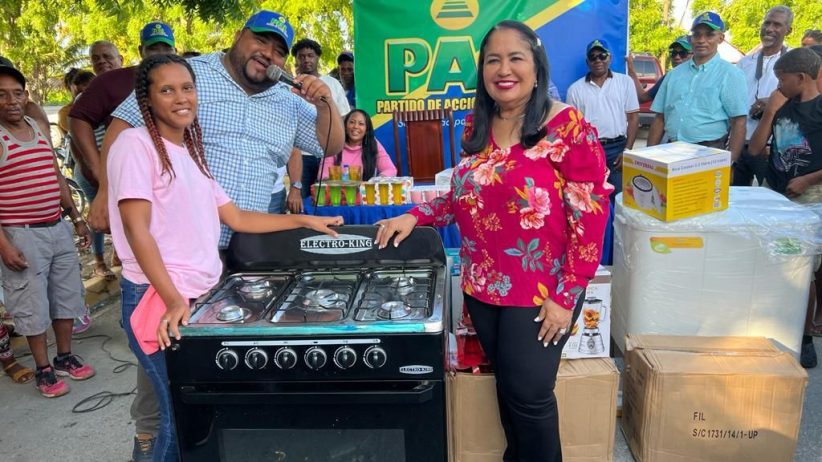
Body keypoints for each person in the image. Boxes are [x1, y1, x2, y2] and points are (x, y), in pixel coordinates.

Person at [375, 20, 611, 461]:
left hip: (543, 289)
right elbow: (464, 197)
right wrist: (415, 214)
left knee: (530, 396)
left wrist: (566, 295)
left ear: (536, 68)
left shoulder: (567, 127)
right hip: (483, 286)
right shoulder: (475, 125)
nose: (503, 69)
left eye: (515, 58)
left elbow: (591, 214)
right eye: (492, 60)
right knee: (508, 388)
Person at [107, 53, 343, 462]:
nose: (181, 98)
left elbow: (236, 217)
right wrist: (173, 299)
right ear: (147, 99)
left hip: (195, 296)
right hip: (157, 299)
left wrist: (303, 220)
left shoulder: (190, 153)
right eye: (167, 90)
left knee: (194, 413)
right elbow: (135, 229)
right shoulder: (135, 144)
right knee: (176, 417)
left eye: (187, 88)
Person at [91, 10, 345, 248]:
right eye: (260, 40)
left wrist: (325, 105)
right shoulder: (188, 75)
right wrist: (105, 192)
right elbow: (123, 124)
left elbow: (330, 146)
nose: (268, 54)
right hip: (177, 247)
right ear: (237, 36)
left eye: (279, 51)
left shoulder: (288, 98)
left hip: (248, 247)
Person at [69, 21, 177, 461]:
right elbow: (77, 119)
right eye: (152, 48)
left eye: (165, 47)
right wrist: (102, 183)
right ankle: (147, 443)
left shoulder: (181, 142)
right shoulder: (128, 123)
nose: (177, 96)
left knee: (171, 371)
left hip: (174, 257)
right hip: (151, 268)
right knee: (159, 382)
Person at [0, 63, 93, 398]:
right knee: (32, 303)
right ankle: (43, 369)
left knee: (66, 295)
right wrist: (4, 246)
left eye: (17, 93)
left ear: (26, 96)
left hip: (56, 226)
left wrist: (76, 218)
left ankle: (64, 356)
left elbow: (56, 177)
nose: (11, 101)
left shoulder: (38, 126)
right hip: (21, 233)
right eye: (2, 95)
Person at [748, 47, 822, 368]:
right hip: (776, 192)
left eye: (782, 79)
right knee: (772, 261)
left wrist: (807, 180)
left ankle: (804, 337)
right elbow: (754, 150)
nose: (778, 86)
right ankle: (771, 324)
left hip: (810, 197)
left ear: (801, 78)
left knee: (803, 270)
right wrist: (770, 112)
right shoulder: (780, 106)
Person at [647, 11, 748, 162]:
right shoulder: (674, 74)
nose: (701, 40)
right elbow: (660, 118)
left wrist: (730, 161)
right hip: (671, 150)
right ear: (690, 38)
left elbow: (739, 121)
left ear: (720, 38)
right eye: (697, 35)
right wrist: (648, 157)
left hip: (708, 152)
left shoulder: (730, 74)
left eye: (709, 35)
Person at [566, 38, 639, 195]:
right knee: (593, 197)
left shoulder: (625, 82)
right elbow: (572, 128)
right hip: (589, 149)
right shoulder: (575, 90)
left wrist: (627, 151)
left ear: (610, 58)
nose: (598, 60)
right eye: (593, 57)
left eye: (602, 55)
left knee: (620, 197)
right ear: (587, 62)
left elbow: (633, 118)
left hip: (618, 148)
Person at [733, 6, 793, 187]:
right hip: (740, 142)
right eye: (767, 23)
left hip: (771, 147)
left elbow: (805, 98)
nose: (769, 29)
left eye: (777, 25)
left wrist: (773, 102)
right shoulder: (744, 62)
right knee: (735, 195)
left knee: (771, 195)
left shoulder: (794, 60)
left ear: (788, 30)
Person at [291, 38, 351, 207]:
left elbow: (343, 117)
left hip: (330, 154)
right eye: (301, 56)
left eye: (310, 55)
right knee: (303, 203)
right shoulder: (290, 86)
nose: (306, 60)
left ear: (318, 58)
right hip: (300, 157)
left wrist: (340, 146)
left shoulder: (332, 84)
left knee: (331, 201)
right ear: (296, 60)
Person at [319, 109, 397, 180]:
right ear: (345, 126)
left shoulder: (372, 143)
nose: (356, 126)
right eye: (352, 122)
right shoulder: (334, 143)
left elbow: (390, 169)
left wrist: (375, 181)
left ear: (366, 129)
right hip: (338, 190)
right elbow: (323, 174)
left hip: (365, 190)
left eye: (361, 124)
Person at [627, 36, 692, 104]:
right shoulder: (668, 78)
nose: (677, 57)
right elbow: (642, 97)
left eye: (683, 53)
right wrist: (631, 69)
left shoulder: (699, 78)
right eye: (674, 53)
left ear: (693, 54)